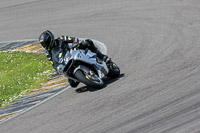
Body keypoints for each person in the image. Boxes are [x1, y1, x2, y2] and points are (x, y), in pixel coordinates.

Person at [39, 30, 111, 87]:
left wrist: (75, 44)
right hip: (66, 62)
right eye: (43, 44)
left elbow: (74, 39)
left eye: (46, 42)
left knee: (87, 43)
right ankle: (84, 77)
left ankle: (103, 57)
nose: (45, 45)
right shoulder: (48, 53)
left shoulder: (61, 39)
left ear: (50, 39)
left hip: (73, 52)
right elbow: (53, 63)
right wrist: (57, 68)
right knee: (72, 84)